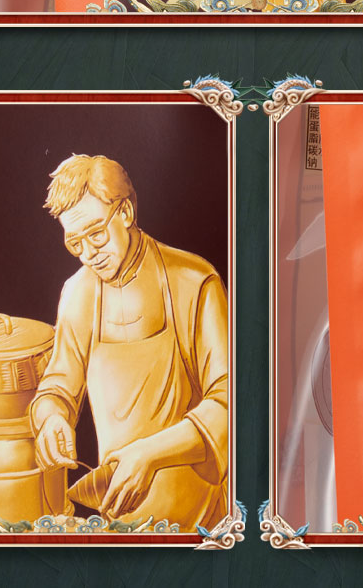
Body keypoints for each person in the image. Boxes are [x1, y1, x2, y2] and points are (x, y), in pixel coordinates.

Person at [30, 154, 228, 528]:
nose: (88, 254)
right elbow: (57, 385)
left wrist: (149, 455)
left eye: (96, 234)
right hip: (118, 522)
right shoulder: (78, 293)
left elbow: (229, 405)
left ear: (125, 212)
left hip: (201, 524)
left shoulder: (194, 281)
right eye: (75, 243)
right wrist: (51, 417)